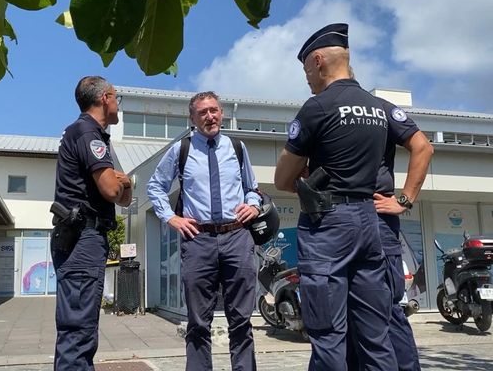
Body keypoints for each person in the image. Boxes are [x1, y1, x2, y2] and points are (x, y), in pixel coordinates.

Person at [274, 23, 397, 370]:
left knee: (328, 335)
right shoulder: (377, 108)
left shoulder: (318, 107)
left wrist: (303, 169)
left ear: (318, 60)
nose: (307, 79)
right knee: (376, 336)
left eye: (306, 70)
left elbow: (283, 178)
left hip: (329, 225)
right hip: (369, 221)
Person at [147, 91, 261, 371]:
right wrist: (171, 218)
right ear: (192, 118)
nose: (209, 116)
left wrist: (254, 205)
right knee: (198, 322)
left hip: (237, 237)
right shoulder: (181, 150)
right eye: (202, 112)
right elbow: (155, 187)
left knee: (242, 320)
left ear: (221, 113)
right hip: (198, 240)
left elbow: (252, 188)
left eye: (214, 110)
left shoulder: (237, 147)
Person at [50, 76, 132, 370]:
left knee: (78, 328)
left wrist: (127, 183)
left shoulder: (83, 132)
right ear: (105, 98)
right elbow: (112, 190)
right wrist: (121, 182)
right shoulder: (88, 133)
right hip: (83, 238)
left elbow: (123, 198)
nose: (117, 105)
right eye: (117, 98)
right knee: (78, 331)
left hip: (80, 236)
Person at [350, 98, 433, 371]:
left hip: (378, 223)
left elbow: (422, 147)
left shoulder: (379, 108)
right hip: (342, 227)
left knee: (387, 310)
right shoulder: (326, 110)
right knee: (350, 313)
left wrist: (404, 201)